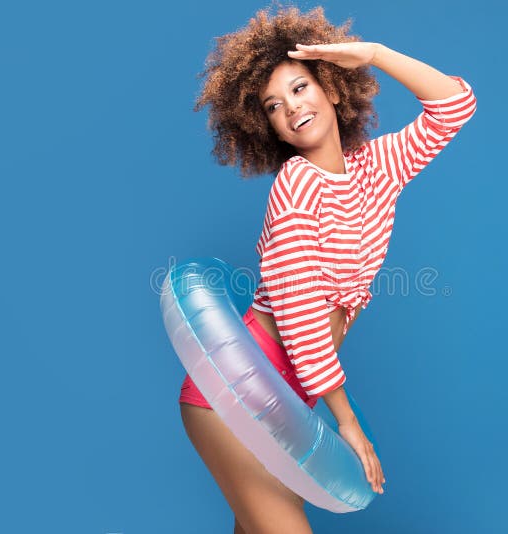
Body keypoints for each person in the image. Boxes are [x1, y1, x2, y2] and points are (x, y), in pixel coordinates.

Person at [179, 5, 476, 533]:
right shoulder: (296, 185)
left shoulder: (376, 169)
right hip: (229, 398)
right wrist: (347, 422)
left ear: (333, 90)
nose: (291, 108)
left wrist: (376, 55)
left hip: (286, 401)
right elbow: (299, 314)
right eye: (273, 105)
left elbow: (455, 106)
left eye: (299, 88)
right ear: (267, 125)